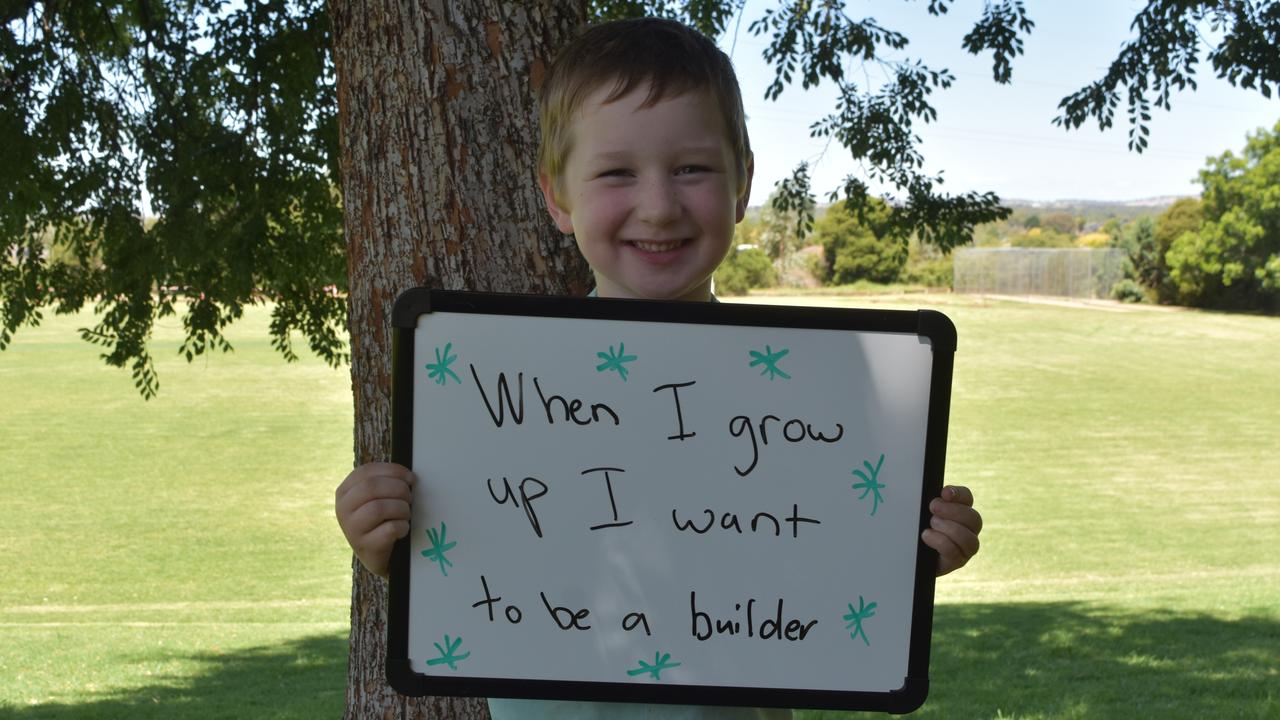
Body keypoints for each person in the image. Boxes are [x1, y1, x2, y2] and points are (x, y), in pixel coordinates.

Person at [335, 16, 982, 719]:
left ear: (742, 185)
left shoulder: (806, 393)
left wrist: (909, 554)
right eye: (617, 172)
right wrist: (390, 543)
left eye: (692, 169)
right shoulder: (498, 384)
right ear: (558, 196)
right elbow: (469, 561)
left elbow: (822, 554)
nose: (659, 206)